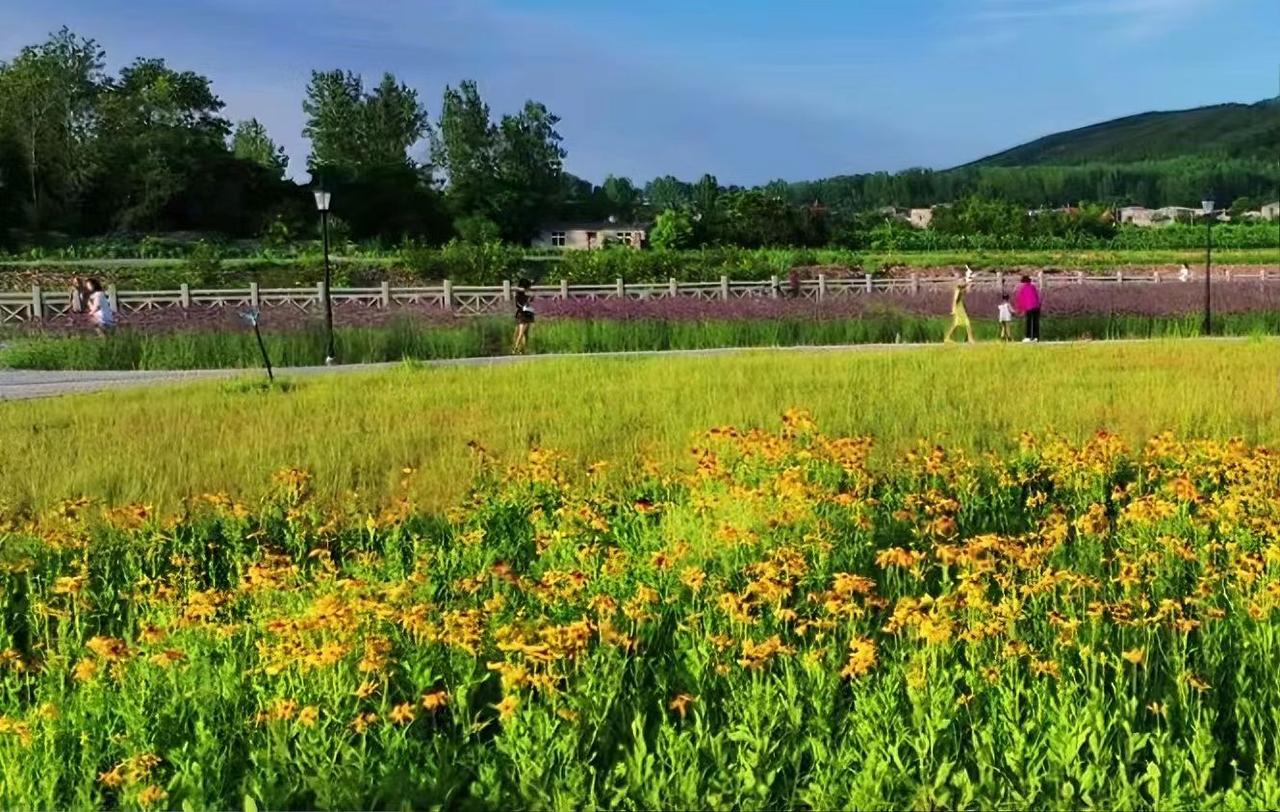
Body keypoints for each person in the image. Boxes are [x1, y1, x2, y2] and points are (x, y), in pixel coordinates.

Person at [1013, 274, 1041, 342]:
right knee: (1035, 322)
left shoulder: (1021, 287)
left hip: (1029, 307)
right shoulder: (1033, 286)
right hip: (1036, 306)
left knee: (1029, 322)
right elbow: (1037, 296)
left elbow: (1021, 299)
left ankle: (1028, 336)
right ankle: (1035, 337)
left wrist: (1019, 309)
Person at [513, 278, 535, 353]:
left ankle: (522, 349)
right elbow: (520, 304)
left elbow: (528, 302)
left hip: (525, 313)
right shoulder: (519, 294)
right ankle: (515, 348)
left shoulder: (524, 295)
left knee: (525, 334)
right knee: (521, 333)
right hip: (522, 315)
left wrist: (530, 299)